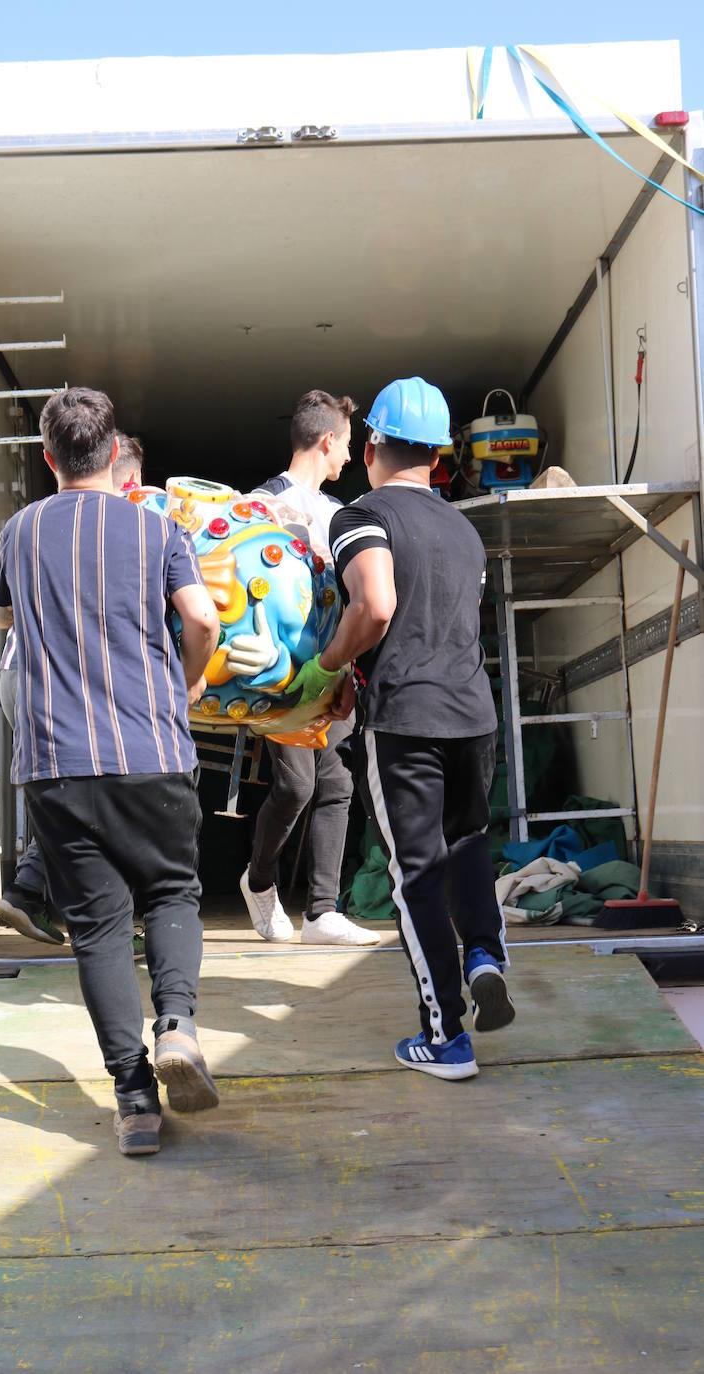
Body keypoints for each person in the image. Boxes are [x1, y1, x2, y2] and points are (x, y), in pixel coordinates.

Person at [0, 391, 220, 1155]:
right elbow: (204, 620)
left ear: (49, 458)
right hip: (152, 749)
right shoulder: (158, 529)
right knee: (173, 889)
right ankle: (178, 1024)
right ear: (116, 454)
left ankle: (134, 1104)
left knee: (99, 928)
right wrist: (185, 685)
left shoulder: (19, 532)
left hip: (57, 762)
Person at [296, 376, 513, 1081]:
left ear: (373, 447)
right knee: (469, 843)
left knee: (414, 871)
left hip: (406, 718)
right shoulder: (465, 528)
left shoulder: (360, 514)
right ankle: (484, 952)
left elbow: (377, 606)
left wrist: (328, 668)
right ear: (441, 458)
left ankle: (445, 1036)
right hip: (473, 714)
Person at [228, 389, 379, 948]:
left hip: (333, 669)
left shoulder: (344, 515)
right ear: (327, 440)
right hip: (282, 673)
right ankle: (259, 882)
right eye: (347, 444)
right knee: (295, 786)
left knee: (338, 782)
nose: (350, 457)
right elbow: (238, 585)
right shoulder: (260, 505)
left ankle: (322, 912)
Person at [0, 432, 145, 946]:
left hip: (20, 677)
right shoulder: (125, 528)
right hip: (69, 682)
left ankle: (30, 891)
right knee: (101, 793)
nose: (140, 488)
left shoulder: (28, 526)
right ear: (119, 473)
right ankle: (102, 919)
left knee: (67, 794)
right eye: (137, 479)